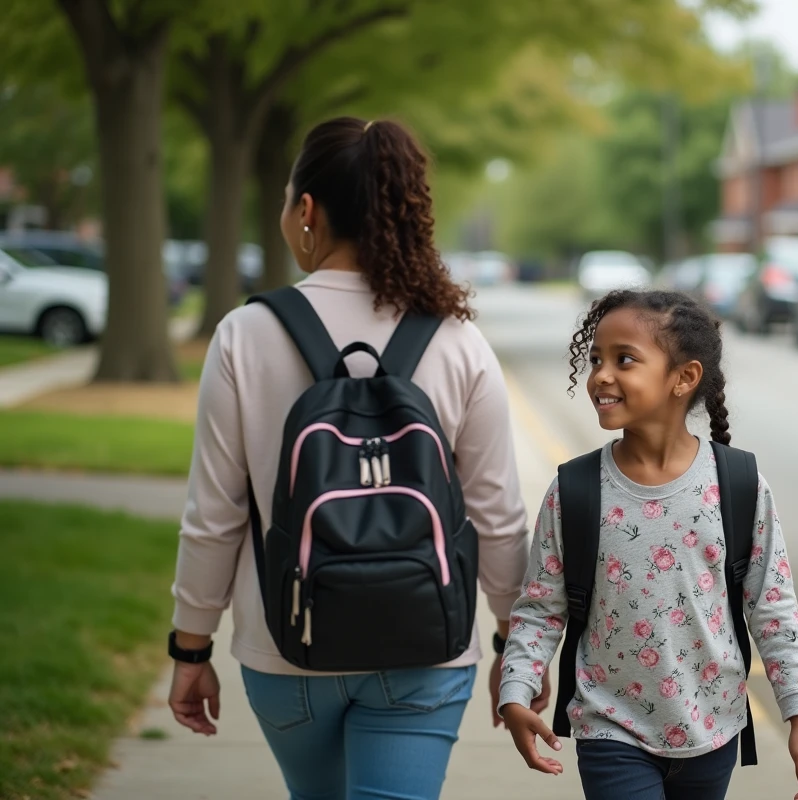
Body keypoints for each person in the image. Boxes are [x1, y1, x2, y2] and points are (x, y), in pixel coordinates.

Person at [166, 116, 548, 800]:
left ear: (305, 209)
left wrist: (190, 646)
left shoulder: (245, 335)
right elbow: (497, 515)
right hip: (429, 645)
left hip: (288, 645)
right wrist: (513, 649)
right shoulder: (458, 341)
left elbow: (214, 516)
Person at [497, 290, 798, 800]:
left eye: (624, 359)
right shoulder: (576, 489)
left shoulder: (737, 484)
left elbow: (772, 606)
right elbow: (541, 608)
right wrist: (516, 690)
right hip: (610, 724)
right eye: (596, 360)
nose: (601, 376)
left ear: (684, 378)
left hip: (712, 726)